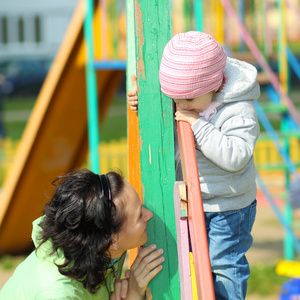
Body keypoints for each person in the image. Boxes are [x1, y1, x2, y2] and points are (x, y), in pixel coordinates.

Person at [127, 31, 260, 299]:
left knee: (224, 265)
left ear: (216, 85)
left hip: (228, 207)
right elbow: (165, 125)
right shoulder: (189, 98)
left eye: (188, 99)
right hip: (190, 200)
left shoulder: (238, 110)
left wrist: (199, 126)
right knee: (184, 259)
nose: (181, 105)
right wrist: (145, 105)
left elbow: (235, 157)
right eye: (176, 98)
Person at [0, 169, 164, 300]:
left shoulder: (94, 244)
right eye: (139, 216)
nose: (149, 214)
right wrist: (133, 295)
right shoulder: (56, 294)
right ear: (111, 240)